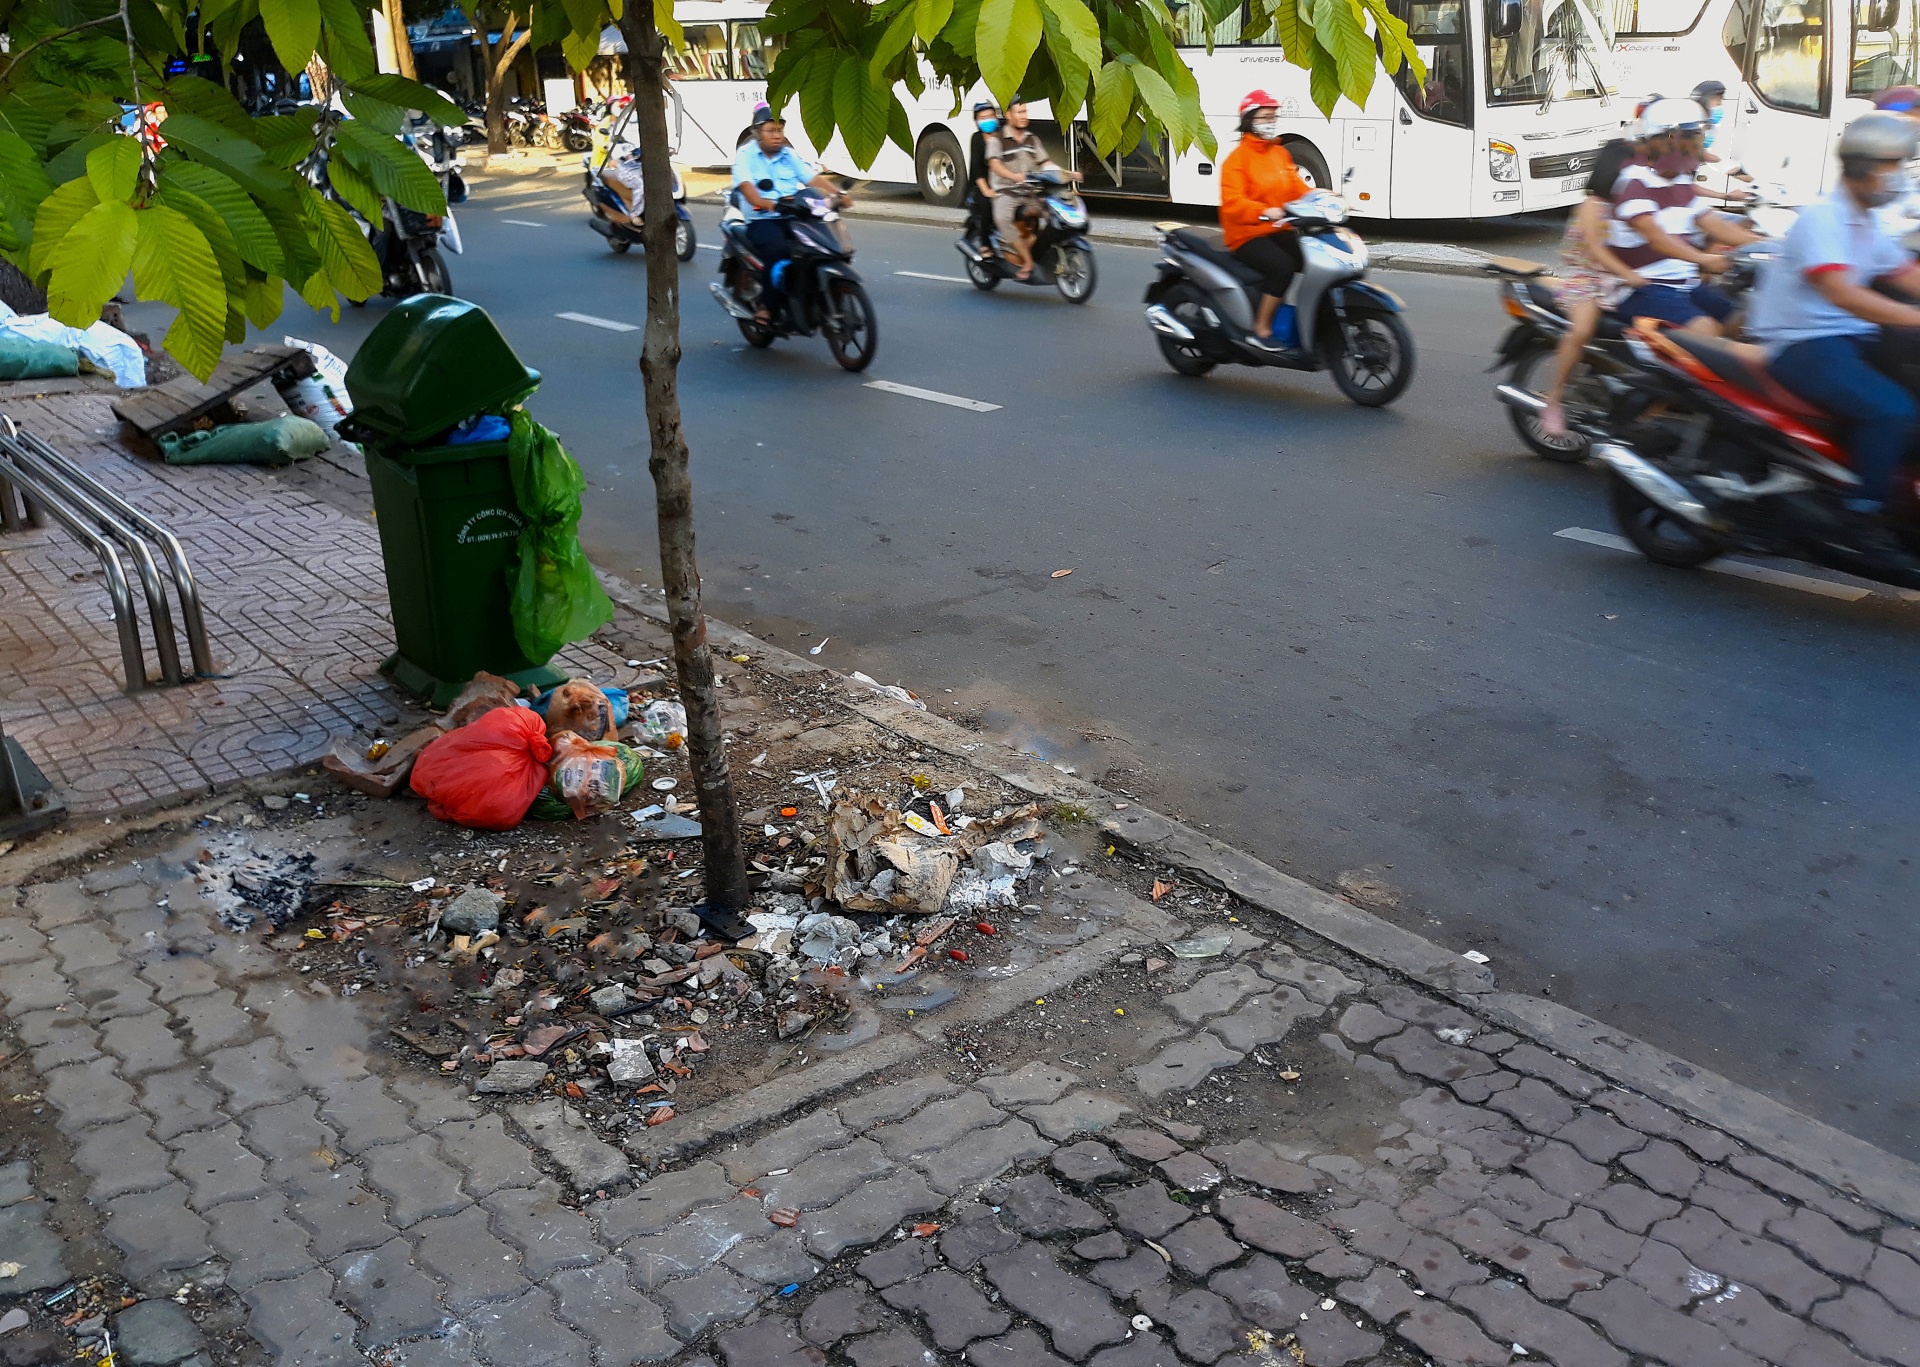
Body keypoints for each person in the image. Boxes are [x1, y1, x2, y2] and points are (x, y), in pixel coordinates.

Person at [1748, 112, 1920, 527]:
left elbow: (1905, 274)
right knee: (1893, 411)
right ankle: (1863, 513)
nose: (1899, 177)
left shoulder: (1867, 221)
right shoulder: (1822, 218)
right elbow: (1842, 293)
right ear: (1862, 166)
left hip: (1850, 338)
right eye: (1892, 166)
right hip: (1804, 343)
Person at [1607, 96, 1760, 334]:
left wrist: (1773, 245)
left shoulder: (1680, 183)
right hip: (1642, 288)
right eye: (1696, 137)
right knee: (1706, 330)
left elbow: (1716, 225)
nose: (1702, 146)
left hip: (1685, 284)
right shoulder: (1634, 182)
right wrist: (1704, 260)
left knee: (1741, 322)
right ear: (1671, 139)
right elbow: (1656, 238)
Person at [1539, 129, 1651, 438]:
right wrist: (1628, 274)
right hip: (1585, 279)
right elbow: (1595, 249)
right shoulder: (1592, 205)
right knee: (1583, 329)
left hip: (1616, 281)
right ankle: (1554, 399)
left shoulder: (1629, 205)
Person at [730, 103, 850, 321]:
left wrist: (838, 194)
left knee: (815, 248)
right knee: (779, 251)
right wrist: (764, 202)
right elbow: (747, 188)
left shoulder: (788, 155)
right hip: (762, 219)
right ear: (758, 133)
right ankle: (767, 306)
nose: (777, 136)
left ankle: (809, 297)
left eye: (780, 130)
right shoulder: (746, 155)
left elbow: (810, 178)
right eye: (771, 130)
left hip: (792, 215)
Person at [1219, 90, 1311, 352]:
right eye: (1264, 117)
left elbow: (1296, 188)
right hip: (1246, 234)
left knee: (1312, 258)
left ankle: (1303, 317)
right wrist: (1264, 210)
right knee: (1283, 267)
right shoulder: (1236, 161)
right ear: (1249, 120)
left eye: (1273, 116)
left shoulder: (1279, 154)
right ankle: (1260, 328)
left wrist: (1322, 196)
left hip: (1277, 228)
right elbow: (1233, 203)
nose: (1270, 121)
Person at [985, 101, 1077, 280]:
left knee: (1052, 215)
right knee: (1002, 218)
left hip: (1029, 191)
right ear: (1009, 115)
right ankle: (1027, 261)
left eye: (1025, 111)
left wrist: (1067, 173)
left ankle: (1038, 251)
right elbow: (994, 164)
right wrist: (1012, 176)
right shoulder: (997, 140)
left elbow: (1045, 163)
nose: (1023, 116)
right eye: (1019, 112)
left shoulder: (1032, 139)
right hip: (1007, 192)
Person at [1689, 79, 1754, 205]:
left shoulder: (1708, 130)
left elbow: (1718, 162)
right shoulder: (1687, 134)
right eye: (1717, 100)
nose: (1720, 105)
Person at [965, 102, 999, 246]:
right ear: (977, 121)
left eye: (991, 116)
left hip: (1003, 184)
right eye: (983, 118)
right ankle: (985, 244)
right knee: (987, 205)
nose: (988, 120)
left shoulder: (1003, 136)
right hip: (982, 186)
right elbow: (977, 169)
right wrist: (987, 191)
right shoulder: (977, 139)